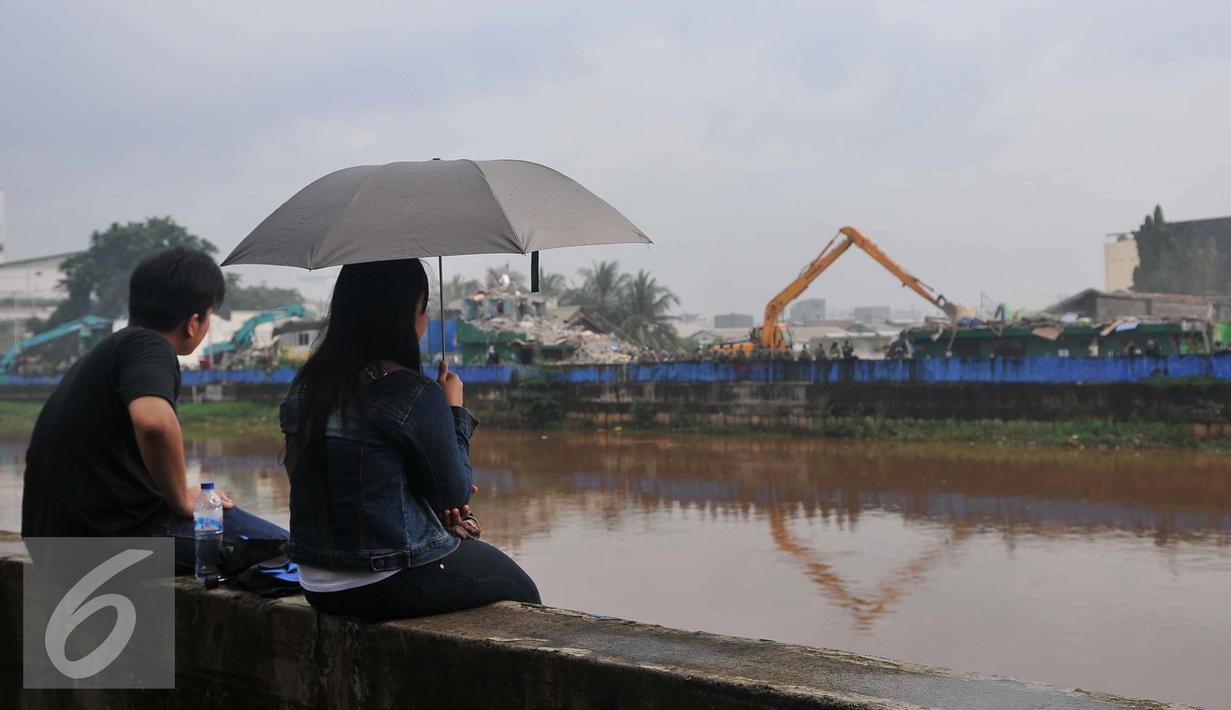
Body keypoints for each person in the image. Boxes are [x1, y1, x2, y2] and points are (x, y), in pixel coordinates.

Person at [280, 258, 539, 620]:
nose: (427, 320)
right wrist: (454, 410)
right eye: (423, 308)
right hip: (384, 578)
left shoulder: (307, 388)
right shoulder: (412, 393)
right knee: (522, 590)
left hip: (316, 582)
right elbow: (455, 493)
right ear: (401, 317)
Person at [22, 248, 287, 575]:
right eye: (209, 316)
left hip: (54, 545)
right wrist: (181, 499)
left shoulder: (111, 350)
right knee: (286, 549)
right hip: (107, 544)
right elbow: (154, 424)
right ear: (193, 323)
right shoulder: (150, 347)